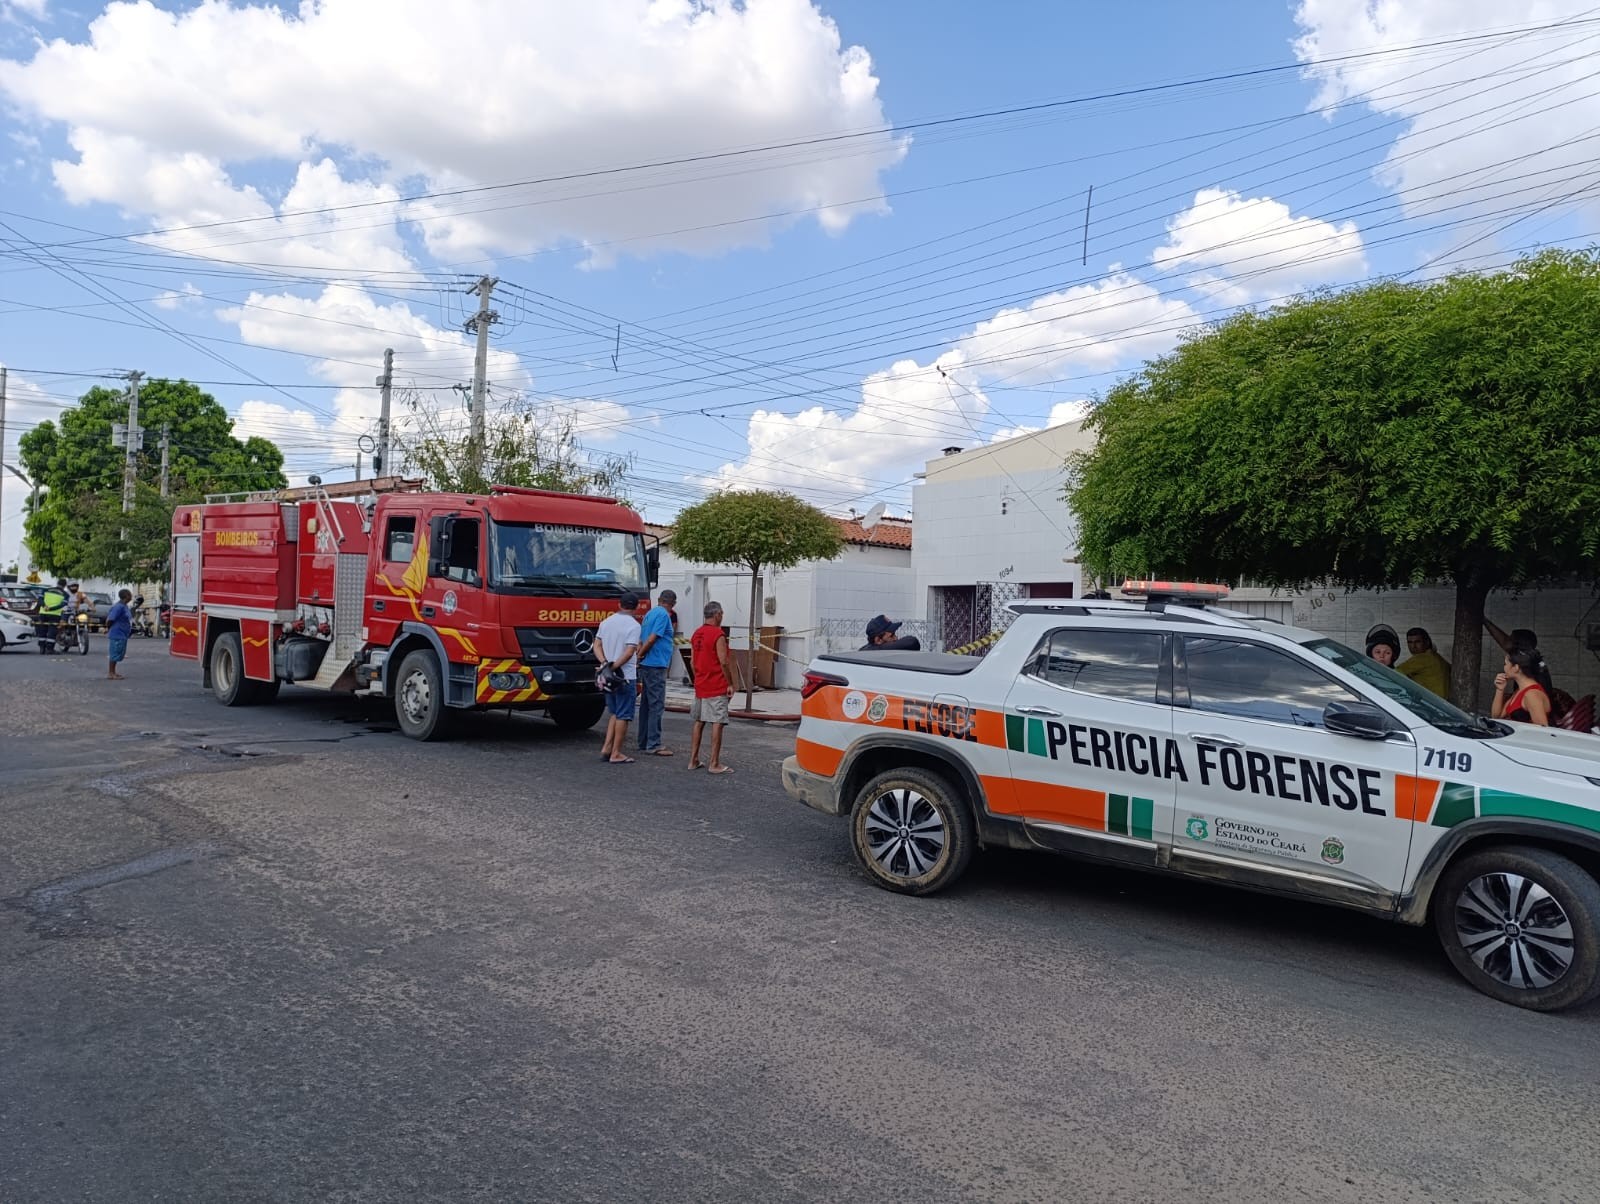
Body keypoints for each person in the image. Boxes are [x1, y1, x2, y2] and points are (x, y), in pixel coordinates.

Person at [594, 591, 642, 764]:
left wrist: (605, 664)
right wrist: (614, 667)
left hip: (607, 676)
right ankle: (616, 753)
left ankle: (606, 748)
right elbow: (630, 652)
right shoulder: (634, 626)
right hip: (625, 676)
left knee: (614, 712)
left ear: (619, 605)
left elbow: (597, 644)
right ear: (636, 607)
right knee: (623, 715)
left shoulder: (606, 622)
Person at [689, 601, 735, 775]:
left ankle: (693, 759)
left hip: (701, 683)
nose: (722, 617)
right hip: (716, 684)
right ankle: (714, 763)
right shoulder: (718, 635)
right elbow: (723, 661)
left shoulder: (697, 634)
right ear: (717, 615)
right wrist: (730, 683)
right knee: (717, 722)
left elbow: (693, 662)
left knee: (699, 721)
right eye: (721, 614)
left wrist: (698, 677)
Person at [636, 589, 677, 756]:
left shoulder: (649, 614)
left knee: (646, 704)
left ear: (660, 599)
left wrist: (640, 655)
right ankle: (653, 743)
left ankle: (644, 741)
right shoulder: (663, 615)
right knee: (656, 705)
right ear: (672, 603)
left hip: (647, 665)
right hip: (656, 664)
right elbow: (653, 638)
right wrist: (641, 653)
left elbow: (641, 638)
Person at [1492, 648, 1553, 726]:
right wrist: (1500, 689)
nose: (1504, 668)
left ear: (1516, 668)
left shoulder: (1532, 694)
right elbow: (1496, 717)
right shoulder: (1520, 691)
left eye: (1505, 664)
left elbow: (1542, 729)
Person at [1396, 627, 1452, 698]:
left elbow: (1394, 673)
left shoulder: (1423, 658)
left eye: (1417, 642)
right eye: (1410, 642)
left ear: (1427, 642)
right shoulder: (1437, 657)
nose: (1413, 646)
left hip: (1430, 704)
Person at [105, 588, 134, 680]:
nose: (131, 596)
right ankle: (110, 673)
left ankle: (114, 672)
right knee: (114, 653)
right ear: (126, 596)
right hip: (117, 633)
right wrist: (108, 628)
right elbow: (110, 619)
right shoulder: (118, 607)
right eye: (130, 595)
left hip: (123, 633)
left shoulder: (125, 606)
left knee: (119, 653)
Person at [37, 578, 68, 653]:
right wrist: (51, 609)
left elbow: (40, 600)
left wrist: (45, 607)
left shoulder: (46, 590)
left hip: (43, 613)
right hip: (55, 614)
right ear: (65, 585)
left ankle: (42, 648)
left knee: (42, 630)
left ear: (57, 583)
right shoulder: (65, 594)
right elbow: (62, 605)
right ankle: (49, 649)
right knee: (52, 631)